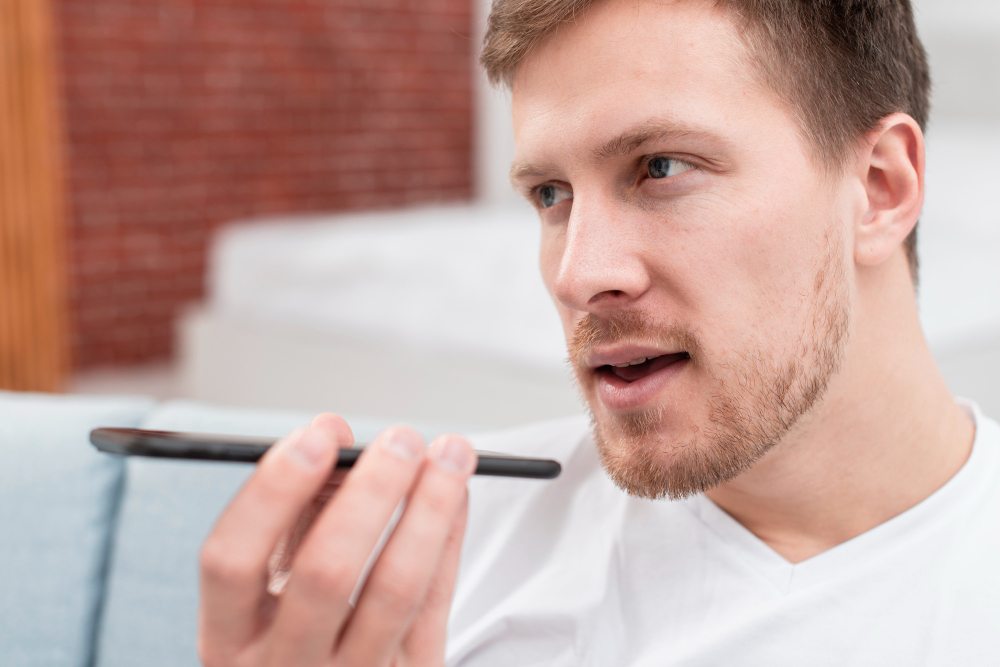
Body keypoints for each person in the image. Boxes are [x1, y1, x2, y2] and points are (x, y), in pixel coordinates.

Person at [196, 0, 1000, 664]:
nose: (577, 275)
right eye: (550, 193)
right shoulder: (439, 565)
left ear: (880, 188)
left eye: (660, 167)